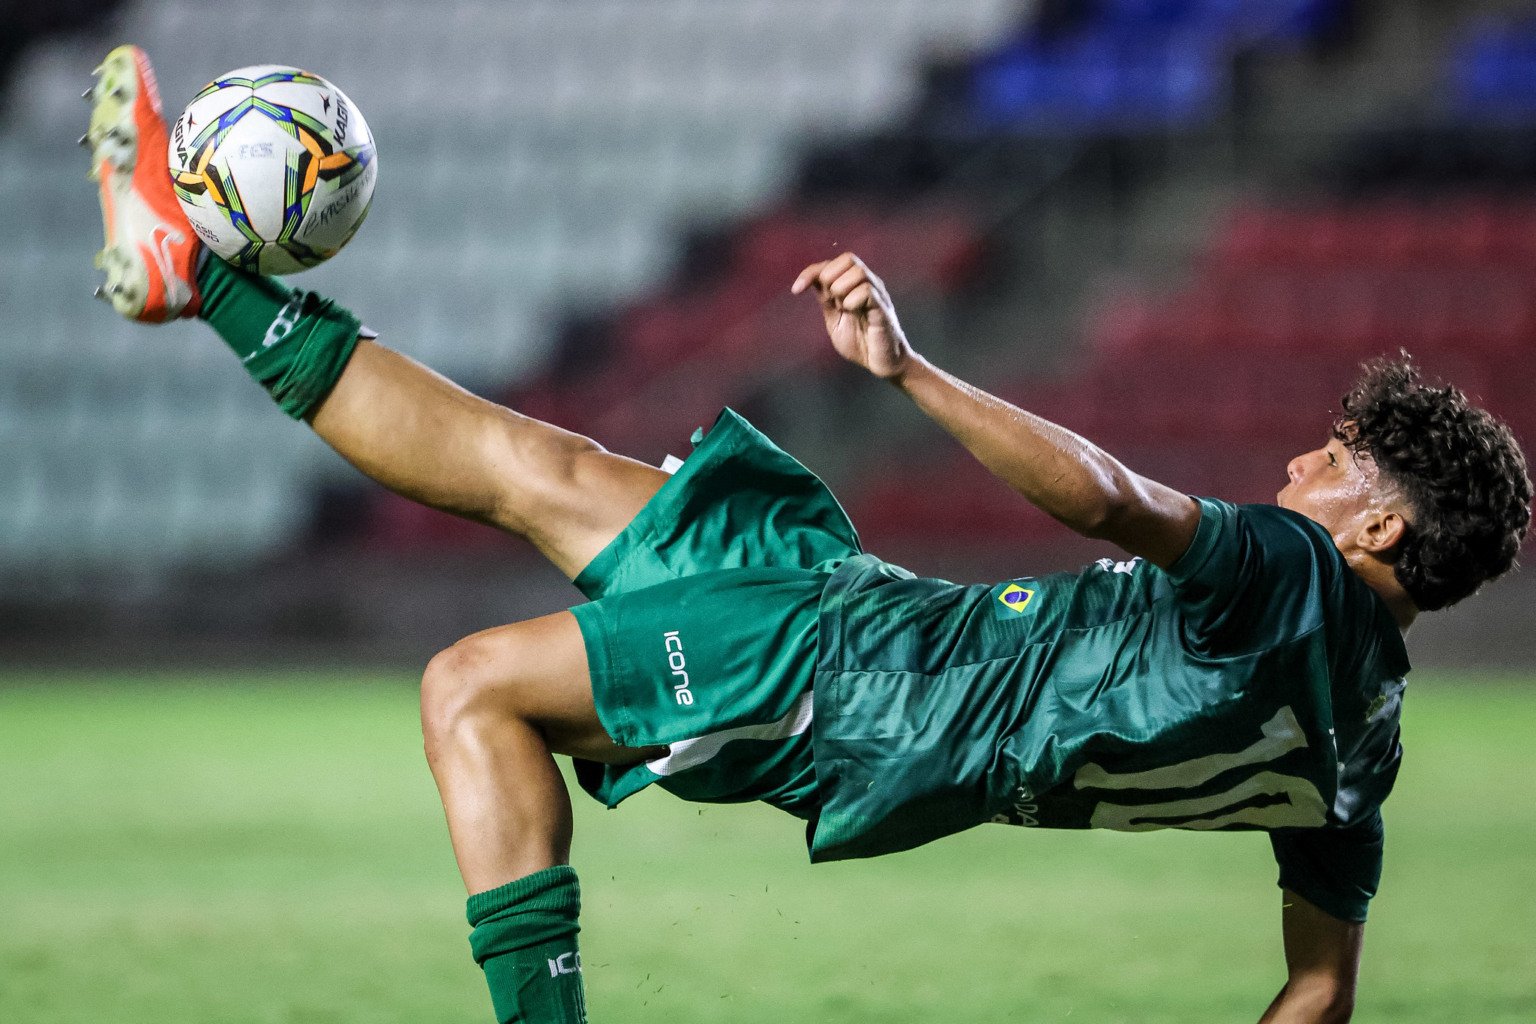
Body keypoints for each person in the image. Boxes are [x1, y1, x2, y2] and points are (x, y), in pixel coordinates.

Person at [85, 45, 1532, 1024]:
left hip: (866, 688)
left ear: (1379, 523)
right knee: (542, 468)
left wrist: (910, 370)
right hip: (877, 628)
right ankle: (191, 273)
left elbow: (1106, 496)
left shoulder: (1293, 575)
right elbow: (1320, 996)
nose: (1303, 461)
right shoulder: (1362, 753)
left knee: (469, 688)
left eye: (1339, 462)